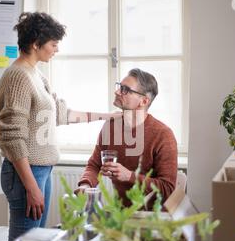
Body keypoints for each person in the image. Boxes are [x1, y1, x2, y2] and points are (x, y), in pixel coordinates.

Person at [0, 12, 119, 241]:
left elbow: (61, 114)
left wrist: (106, 116)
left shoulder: (35, 75)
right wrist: (31, 186)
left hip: (41, 170)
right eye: (53, 44)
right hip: (26, 171)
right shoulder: (18, 77)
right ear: (35, 44)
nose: (56, 49)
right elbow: (11, 135)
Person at [76, 69, 178, 210]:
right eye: (119, 86)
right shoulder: (110, 126)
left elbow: (167, 188)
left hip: (152, 217)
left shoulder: (163, 135)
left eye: (125, 90)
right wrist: (85, 185)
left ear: (143, 101)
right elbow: (94, 165)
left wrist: (129, 176)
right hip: (121, 213)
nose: (117, 92)